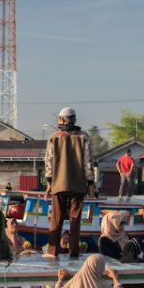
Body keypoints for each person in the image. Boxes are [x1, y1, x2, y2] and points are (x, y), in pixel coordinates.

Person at [44, 107, 94, 258]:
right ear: (74, 120)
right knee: (75, 220)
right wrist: (90, 184)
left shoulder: (54, 136)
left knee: (56, 219)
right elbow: (88, 162)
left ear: (61, 120)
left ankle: (52, 252)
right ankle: (74, 252)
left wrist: (49, 182)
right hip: (78, 185)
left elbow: (49, 161)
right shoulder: (84, 136)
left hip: (59, 184)